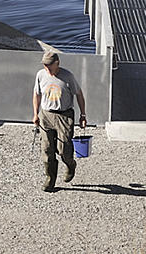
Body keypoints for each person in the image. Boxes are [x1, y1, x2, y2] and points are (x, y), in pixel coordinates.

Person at [33, 50, 88, 191]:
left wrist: (83, 115)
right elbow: (37, 94)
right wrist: (36, 114)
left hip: (64, 115)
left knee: (63, 150)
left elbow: (79, 94)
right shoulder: (40, 75)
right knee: (47, 149)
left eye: (49, 65)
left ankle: (70, 164)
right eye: (45, 65)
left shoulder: (67, 76)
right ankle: (50, 179)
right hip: (46, 115)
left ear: (57, 63)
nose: (47, 68)